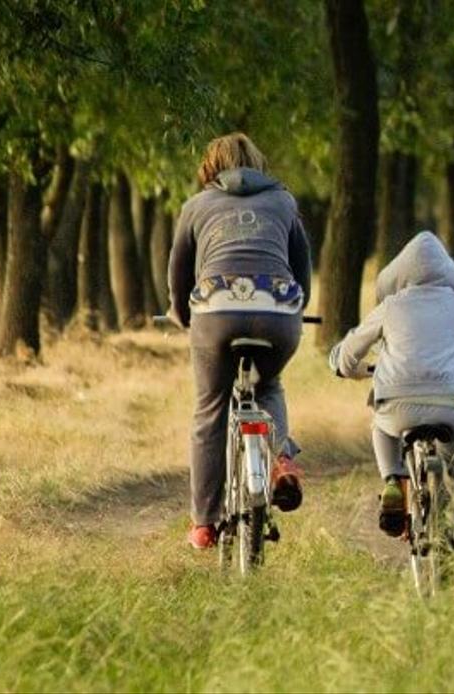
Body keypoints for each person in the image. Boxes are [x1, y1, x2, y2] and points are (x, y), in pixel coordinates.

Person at [168, 132, 311, 550]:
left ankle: (204, 523)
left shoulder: (195, 206)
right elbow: (302, 270)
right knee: (268, 385)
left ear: (211, 167)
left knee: (210, 408)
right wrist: (295, 308)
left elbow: (179, 276)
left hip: (215, 312)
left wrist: (181, 316)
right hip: (279, 312)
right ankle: (281, 458)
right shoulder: (284, 202)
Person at [330, 231, 454, 554]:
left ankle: (391, 481)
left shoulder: (391, 305)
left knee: (382, 428)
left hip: (397, 406)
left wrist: (344, 366)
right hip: (449, 405)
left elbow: (350, 352)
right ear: (449, 273)